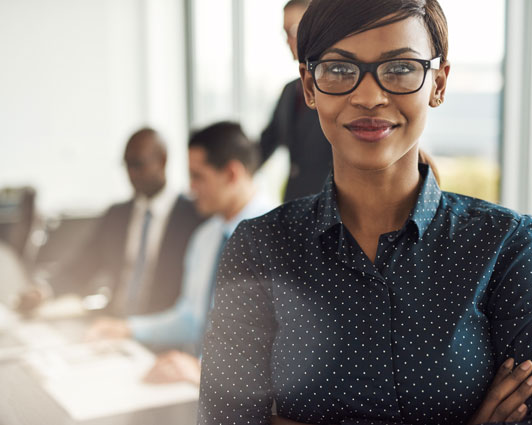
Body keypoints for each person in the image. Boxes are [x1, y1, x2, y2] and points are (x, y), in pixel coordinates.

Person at [198, 1, 532, 424]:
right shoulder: (259, 247)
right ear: (309, 86)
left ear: (439, 83)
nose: (369, 96)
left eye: (399, 68)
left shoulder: (505, 245)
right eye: (339, 70)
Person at [87, 122, 275, 383]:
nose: (190, 189)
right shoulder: (205, 238)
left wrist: (205, 370)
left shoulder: (283, 239)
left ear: (232, 174)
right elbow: (190, 319)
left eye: (198, 177)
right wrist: (128, 328)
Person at [20, 128, 203, 316]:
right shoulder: (117, 215)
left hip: (164, 332)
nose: (131, 174)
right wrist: (43, 290)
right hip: (113, 325)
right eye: (127, 165)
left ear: (162, 160)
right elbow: (82, 265)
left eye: (138, 164)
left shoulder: (192, 216)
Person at [259, 0, 333, 202]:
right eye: (285, 32)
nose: (287, 40)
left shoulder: (338, 88)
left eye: (293, 30)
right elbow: (266, 142)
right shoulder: (290, 90)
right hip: (294, 202)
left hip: (329, 205)